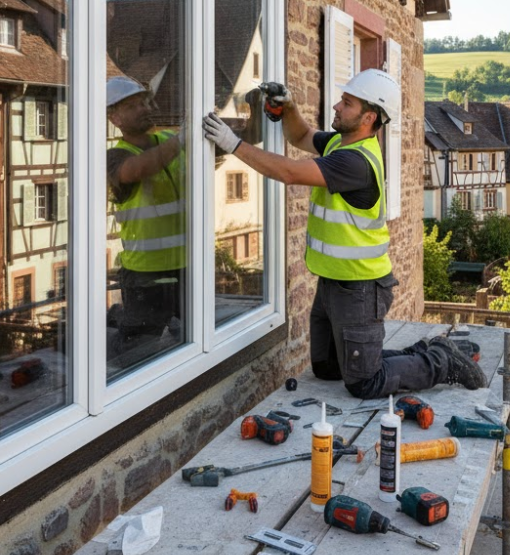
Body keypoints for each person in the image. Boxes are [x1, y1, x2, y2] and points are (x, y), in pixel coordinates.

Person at [202, 70, 486, 399]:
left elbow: (290, 172)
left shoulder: (356, 162)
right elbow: (302, 137)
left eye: (346, 103)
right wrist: (289, 107)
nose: (337, 105)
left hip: (360, 289)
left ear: (368, 117)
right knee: (327, 368)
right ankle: (428, 349)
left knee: (365, 383)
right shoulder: (340, 142)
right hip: (333, 283)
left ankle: (440, 360)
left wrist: (233, 145)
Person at [106, 76, 185, 359]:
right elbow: (137, 170)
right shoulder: (116, 156)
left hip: (187, 269)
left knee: (189, 343)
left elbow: (235, 141)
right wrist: (182, 141)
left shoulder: (168, 140)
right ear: (114, 117)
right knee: (137, 351)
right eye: (132, 105)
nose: (144, 108)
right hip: (145, 278)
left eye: (144, 101)